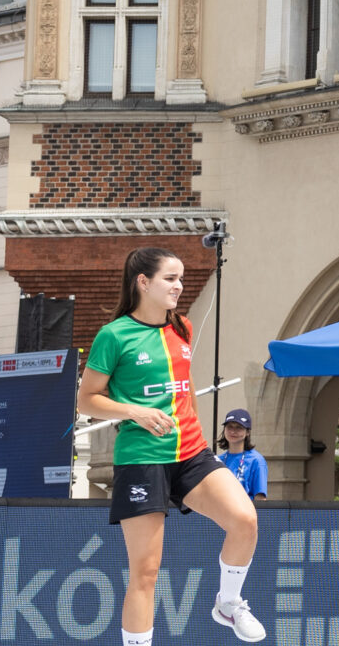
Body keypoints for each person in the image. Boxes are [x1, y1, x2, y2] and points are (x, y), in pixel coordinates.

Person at [78, 246, 264, 646]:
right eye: (171, 278)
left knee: (245, 520)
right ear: (143, 282)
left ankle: (228, 604)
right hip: (142, 460)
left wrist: (200, 434)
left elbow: (186, 387)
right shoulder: (114, 335)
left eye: (181, 278)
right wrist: (135, 411)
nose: (179, 286)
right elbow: (86, 400)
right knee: (145, 573)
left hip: (192, 452)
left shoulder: (183, 328)